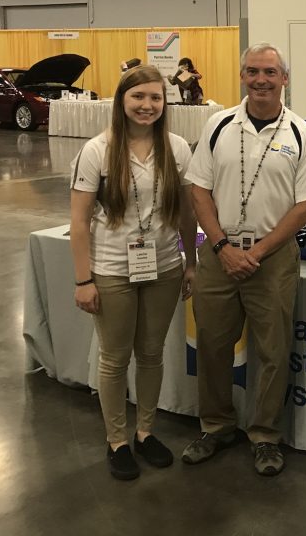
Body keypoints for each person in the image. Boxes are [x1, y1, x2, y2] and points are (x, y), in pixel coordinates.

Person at [181, 43, 306, 477]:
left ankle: (264, 435)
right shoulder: (218, 124)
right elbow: (198, 190)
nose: (260, 79)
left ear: (284, 78)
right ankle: (216, 425)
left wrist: (258, 252)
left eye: (269, 72)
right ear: (242, 76)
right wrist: (223, 247)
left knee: (273, 350)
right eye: (252, 71)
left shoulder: (302, 134)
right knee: (211, 344)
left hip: (274, 257)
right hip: (219, 255)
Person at [69, 65, 196, 480]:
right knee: (114, 357)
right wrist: (84, 279)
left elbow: (185, 213)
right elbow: (79, 220)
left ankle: (145, 431)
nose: (147, 105)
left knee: (152, 353)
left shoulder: (177, 148)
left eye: (155, 98)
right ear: (122, 100)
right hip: (111, 270)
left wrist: (189, 262)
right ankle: (117, 439)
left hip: (163, 267)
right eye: (138, 97)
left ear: (165, 102)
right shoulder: (97, 150)